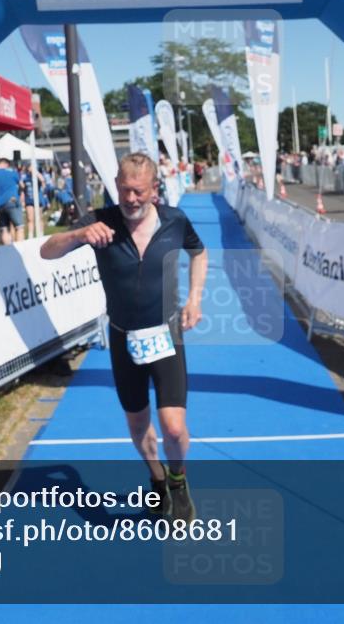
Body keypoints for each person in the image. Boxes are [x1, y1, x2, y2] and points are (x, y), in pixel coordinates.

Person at [39, 153, 208, 522]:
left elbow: (199, 253)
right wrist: (79, 234)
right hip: (122, 337)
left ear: (154, 190)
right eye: (124, 190)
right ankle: (157, 479)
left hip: (166, 334)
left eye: (139, 191)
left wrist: (194, 298)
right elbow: (46, 251)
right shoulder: (102, 221)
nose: (131, 199)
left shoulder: (175, 221)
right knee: (137, 424)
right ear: (116, 187)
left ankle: (178, 481)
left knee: (174, 427)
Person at [0, 158, 25, 245]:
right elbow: (22, 185)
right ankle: (20, 249)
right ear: (6, 164)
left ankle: (7, 250)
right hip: (12, 201)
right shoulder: (13, 173)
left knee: (4, 229)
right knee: (19, 227)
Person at [20, 164, 46, 240]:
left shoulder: (38, 177)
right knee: (30, 218)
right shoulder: (26, 178)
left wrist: (35, 172)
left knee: (39, 218)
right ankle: (30, 235)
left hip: (38, 200)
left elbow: (43, 180)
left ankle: (41, 234)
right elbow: (22, 189)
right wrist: (22, 200)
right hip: (29, 200)